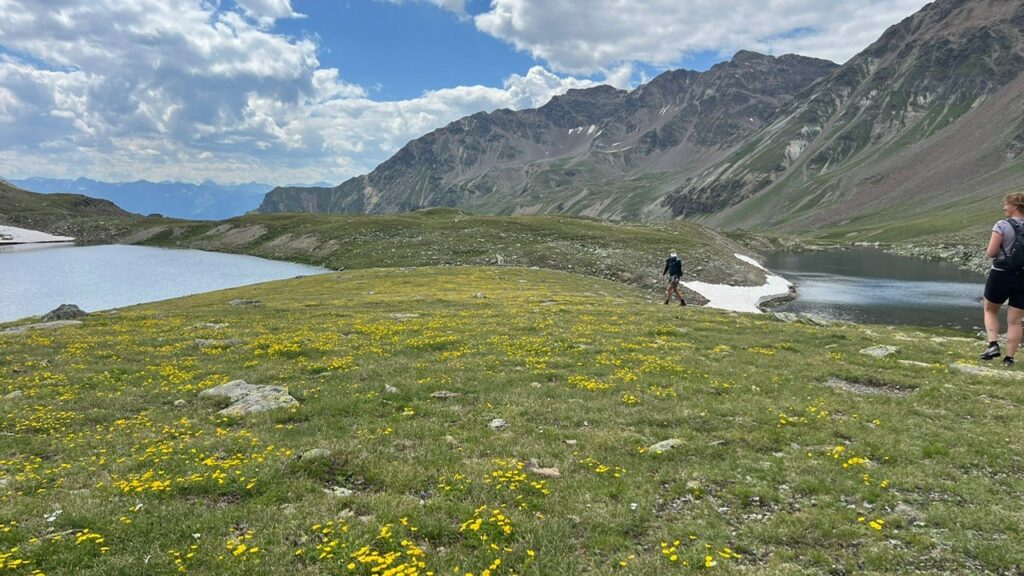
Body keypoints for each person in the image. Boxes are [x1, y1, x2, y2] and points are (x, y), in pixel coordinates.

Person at [980, 192, 1024, 366]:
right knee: (1015, 320)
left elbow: (991, 252)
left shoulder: (1002, 225)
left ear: (1014, 206)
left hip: (1001, 274)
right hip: (1023, 278)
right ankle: (1009, 359)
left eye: (1006, 204)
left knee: (990, 310)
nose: (1004, 207)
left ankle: (993, 344)